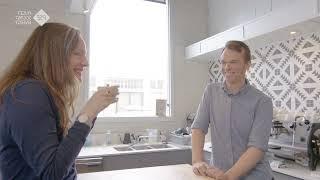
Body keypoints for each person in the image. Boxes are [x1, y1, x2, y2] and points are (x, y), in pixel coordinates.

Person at [0, 22, 119, 180]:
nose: (85, 62)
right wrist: (88, 113)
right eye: (78, 53)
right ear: (54, 55)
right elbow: (52, 173)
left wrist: (90, 113)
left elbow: (61, 157)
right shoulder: (28, 94)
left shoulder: (37, 92)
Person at [191, 40, 273, 180]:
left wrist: (228, 177)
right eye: (223, 62)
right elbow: (198, 128)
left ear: (247, 65)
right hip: (218, 174)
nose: (227, 67)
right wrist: (197, 161)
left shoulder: (262, 101)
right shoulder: (211, 92)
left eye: (233, 62)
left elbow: (257, 148)